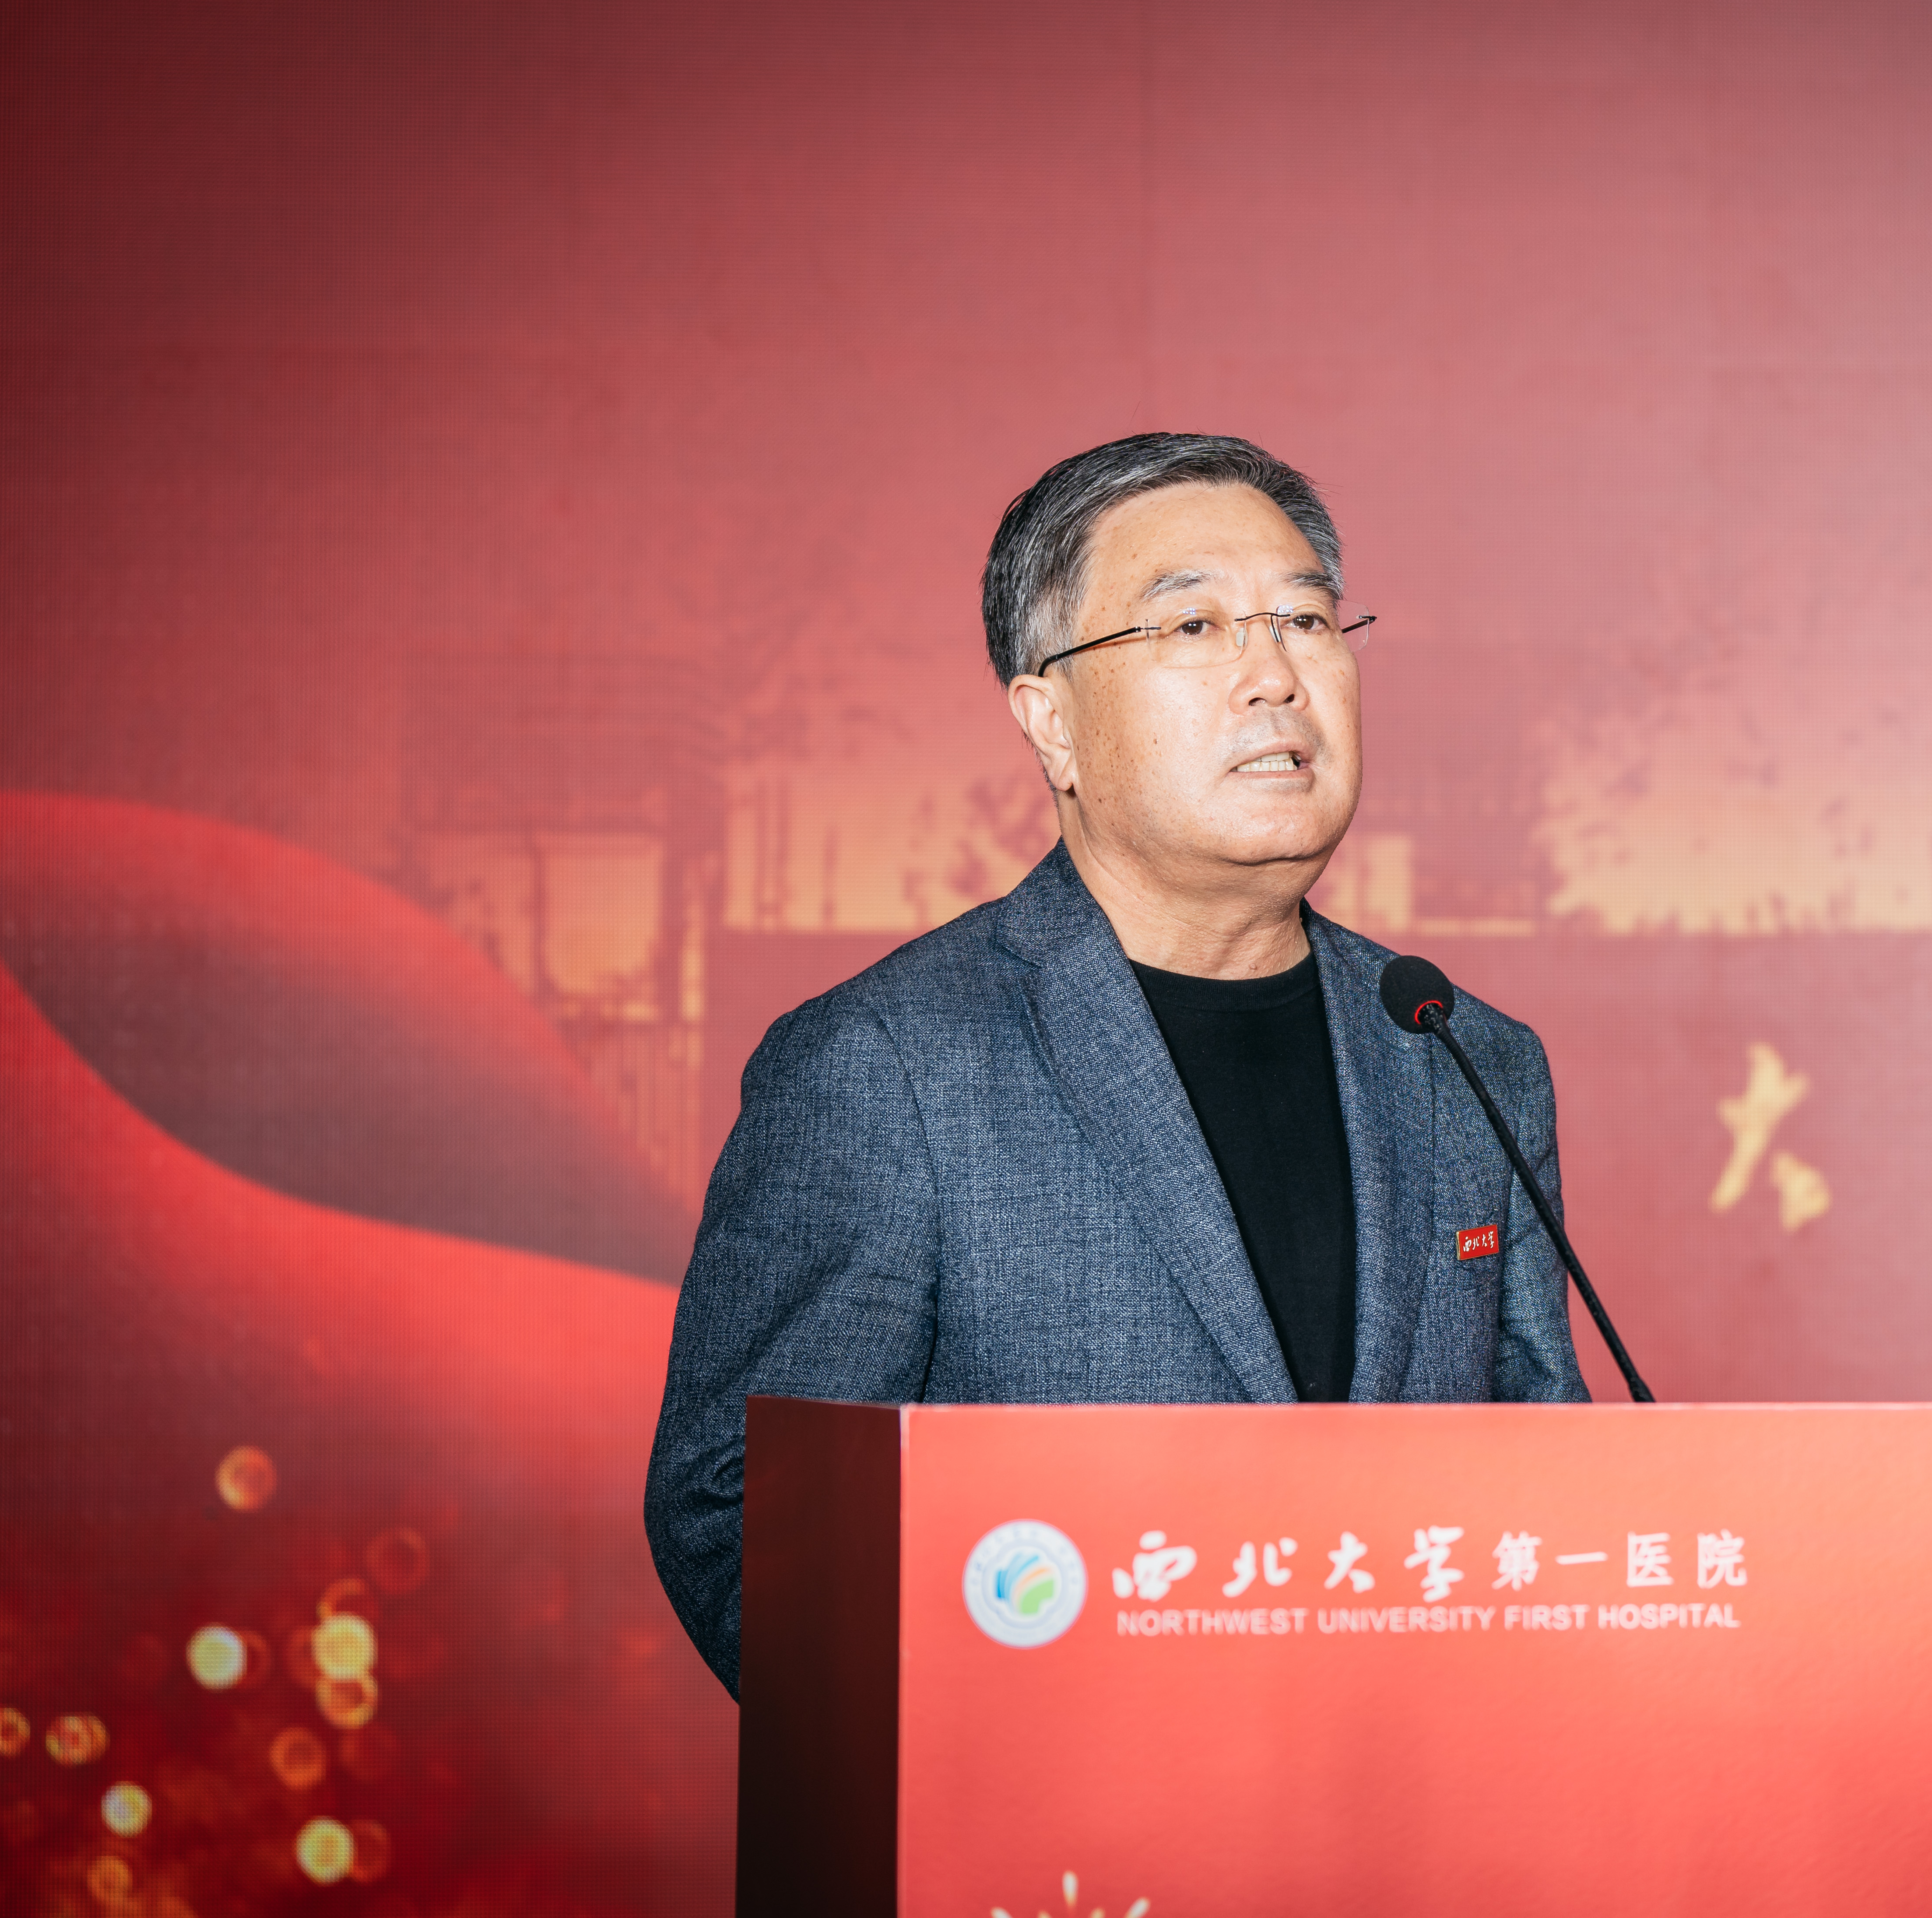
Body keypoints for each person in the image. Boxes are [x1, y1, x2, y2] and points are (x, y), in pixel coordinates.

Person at [643, 432, 1590, 1692]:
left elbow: (1549, 1478)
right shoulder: (885, 1066)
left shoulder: (1464, 1057)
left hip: (1408, 1799)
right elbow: (744, 1516)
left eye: (1308, 621)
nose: (1275, 676)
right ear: (1053, 724)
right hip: (1050, 1811)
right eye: (1194, 627)